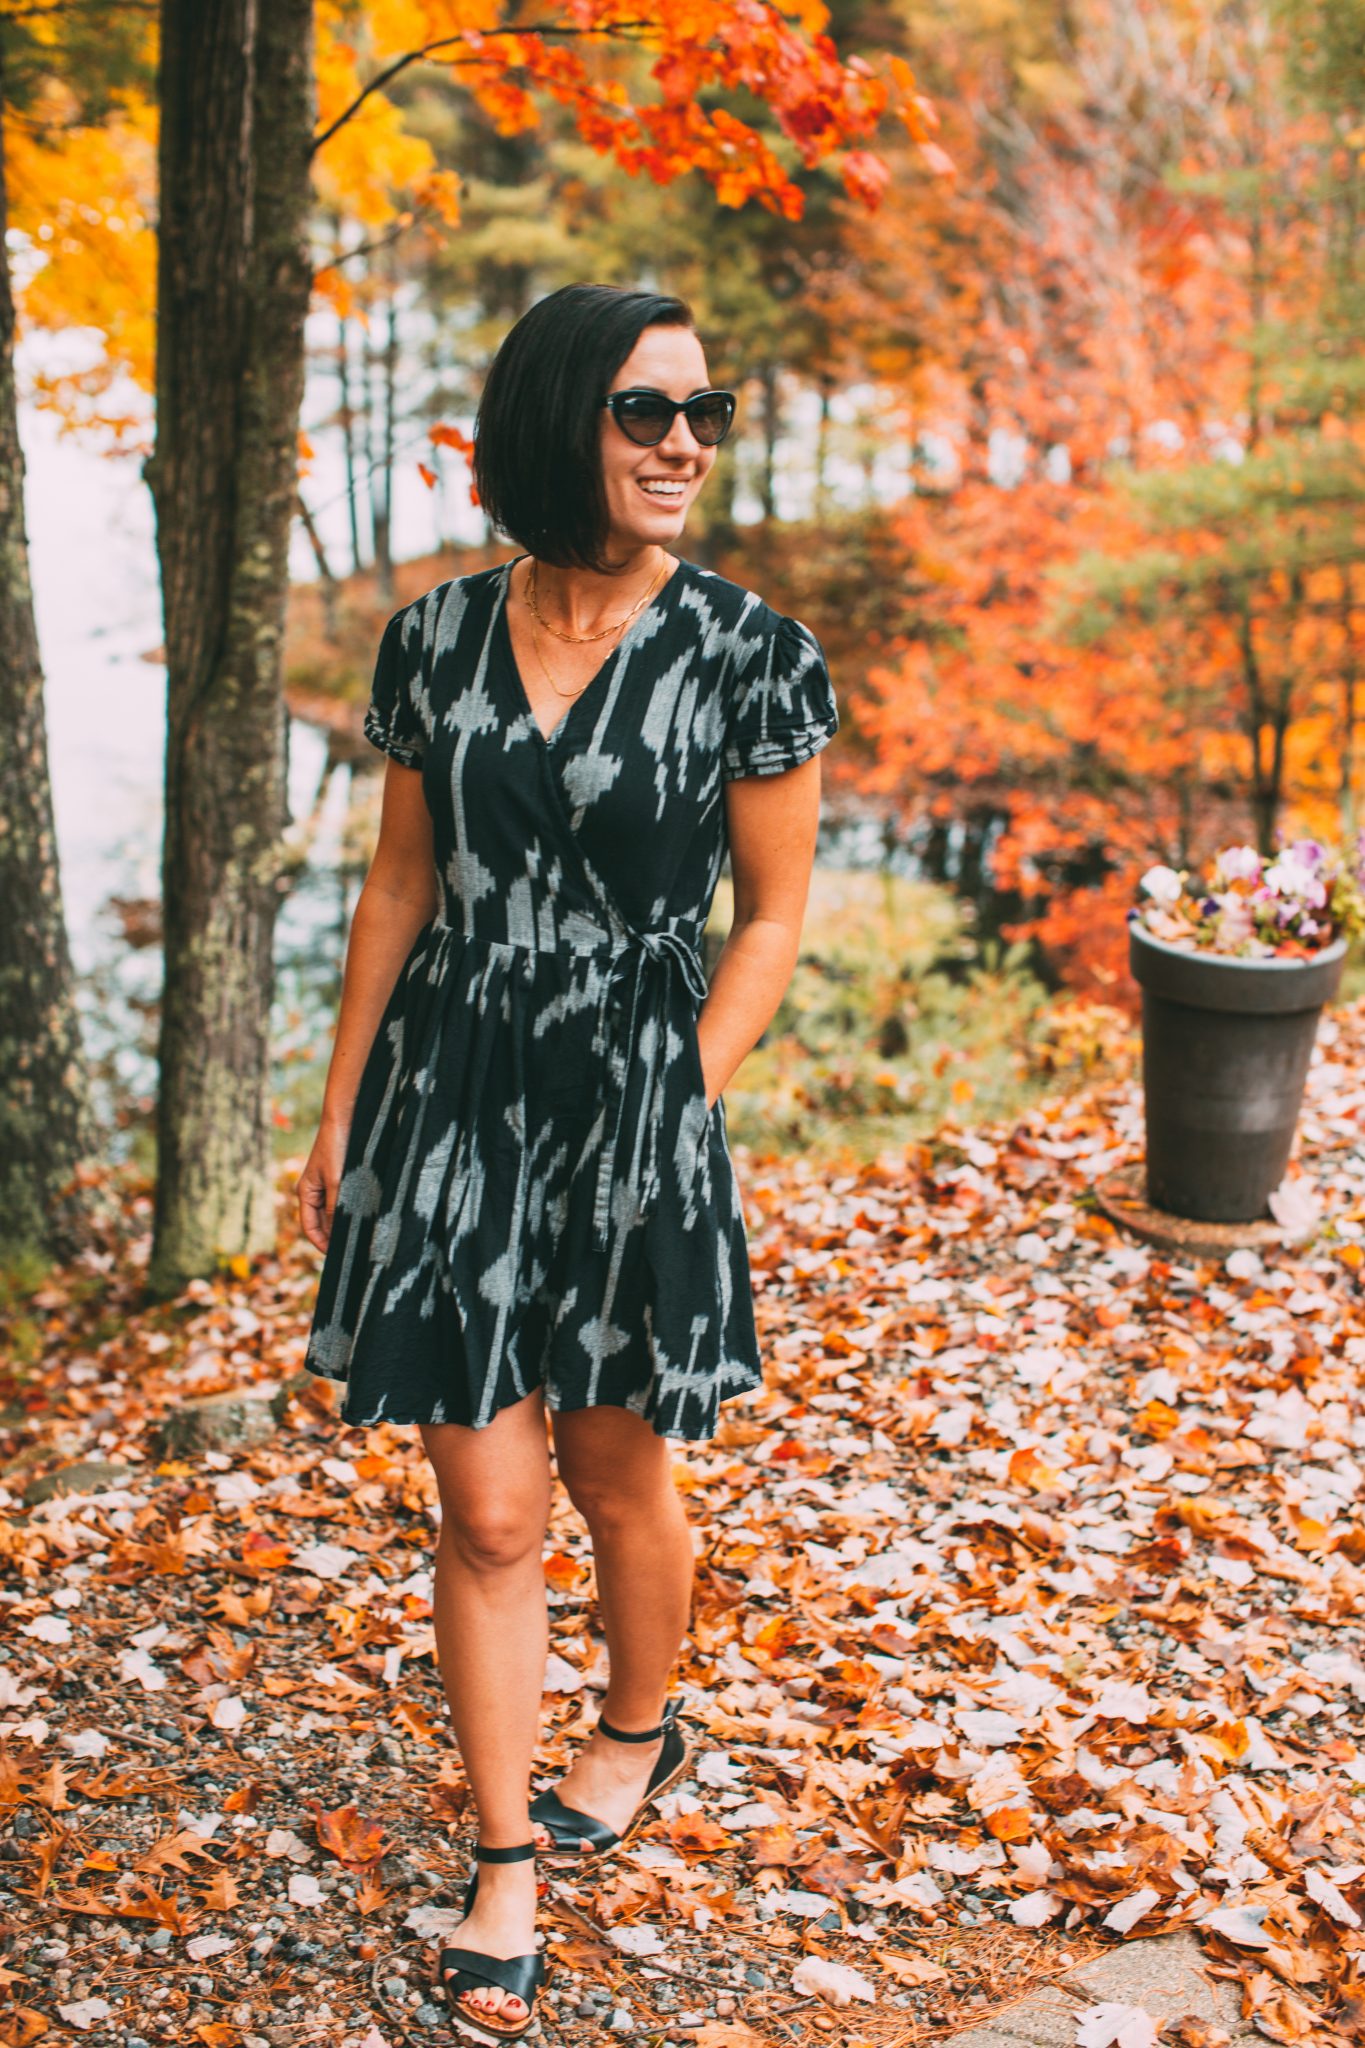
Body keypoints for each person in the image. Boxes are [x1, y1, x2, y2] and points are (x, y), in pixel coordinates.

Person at [295, 282, 837, 2041]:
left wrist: (678, 1096)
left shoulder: (749, 652)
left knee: (617, 1474)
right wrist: (337, 1103)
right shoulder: (433, 638)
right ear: (556, 424)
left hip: (633, 1105)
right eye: (642, 411)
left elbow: (769, 918)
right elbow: (398, 884)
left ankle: (632, 1723)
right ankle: (508, 1858)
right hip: (447, 1098)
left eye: (705, 414)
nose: (683, 443)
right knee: (489, 1506)